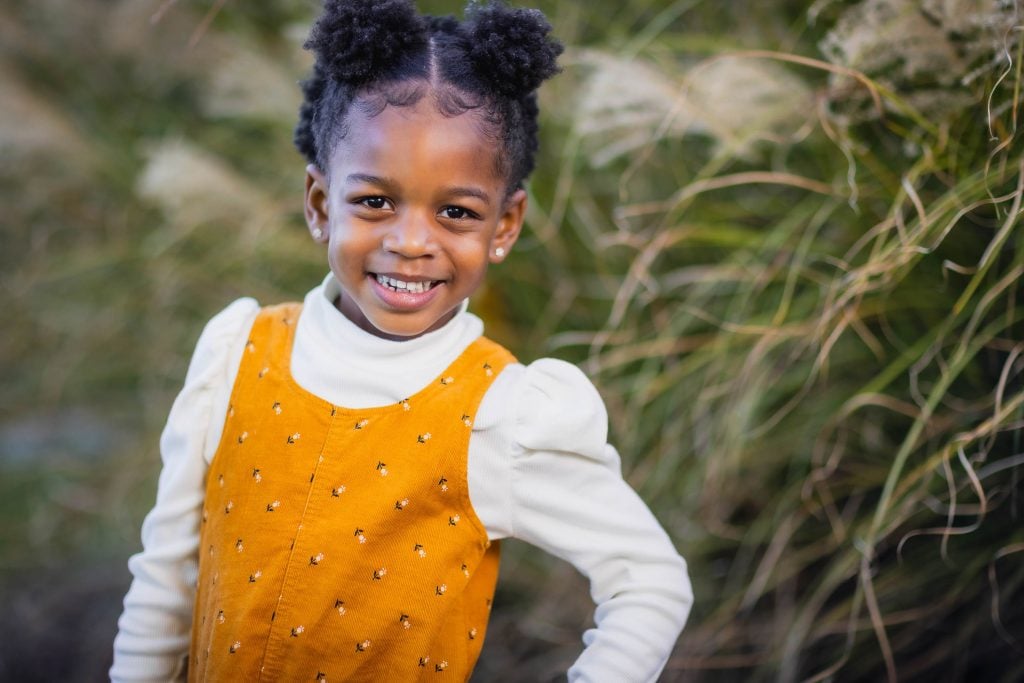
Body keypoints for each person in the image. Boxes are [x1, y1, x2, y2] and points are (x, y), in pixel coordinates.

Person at [110, 1, 692, 680]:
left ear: (504, 226)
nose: (412, 242)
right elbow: (167, 576)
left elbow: (649, 581)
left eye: (456, 212)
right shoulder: (236, 350)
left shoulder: (505, 414)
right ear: (321, 204)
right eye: (375, 201)